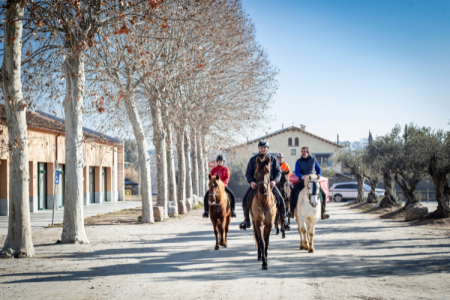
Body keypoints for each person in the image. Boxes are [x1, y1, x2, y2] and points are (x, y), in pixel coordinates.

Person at [238, 140, 291, 230]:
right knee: (245, 199)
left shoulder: (273, 159)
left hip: (269, 185)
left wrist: (274, 181)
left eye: (264, 147)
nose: (263, 149)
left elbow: (278, 172)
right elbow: (248, 173)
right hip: (256, 185)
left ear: (267, 148)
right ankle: (246, 220)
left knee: (281, 200)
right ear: (259, 148)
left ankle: (284, 220)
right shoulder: (253, 160)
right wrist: (251, 182)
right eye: (261, 147)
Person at [288, 146, 330, 220]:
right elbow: (297, 172)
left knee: (323, 193)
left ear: (308, 152)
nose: (303, 153)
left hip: (314, 181)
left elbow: (318, 169)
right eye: (302, 151)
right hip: (303, 181)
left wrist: (318, 176)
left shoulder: (313, 160)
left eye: (304, 151)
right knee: (293, 192)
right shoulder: (298, 161)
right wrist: (301, 176)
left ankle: (323, 212)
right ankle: (291, 211)